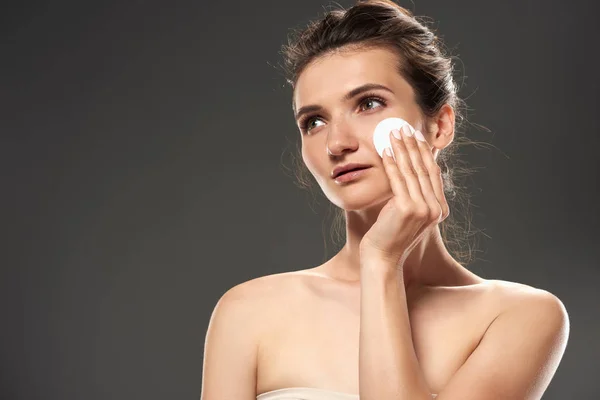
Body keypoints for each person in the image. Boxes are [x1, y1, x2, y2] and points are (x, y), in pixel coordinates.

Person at [200, 1, 570, 399]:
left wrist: (381, 262)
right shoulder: (248, 313)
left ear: (440, 125)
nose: (337, 143)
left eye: (368, 103)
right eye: (314, 121)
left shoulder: (518, 317)